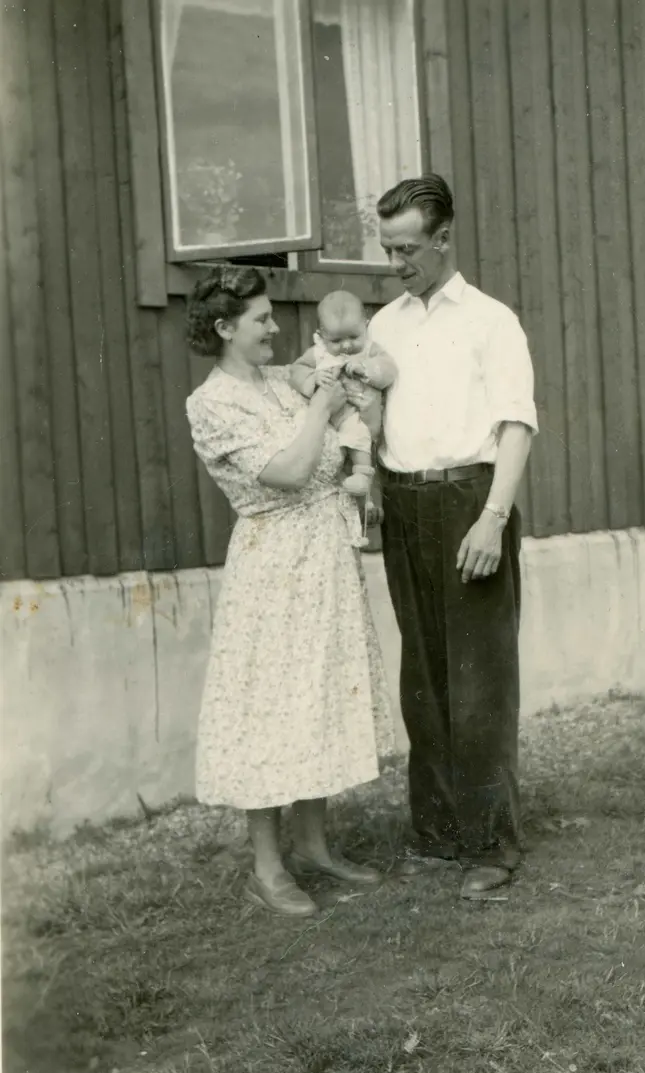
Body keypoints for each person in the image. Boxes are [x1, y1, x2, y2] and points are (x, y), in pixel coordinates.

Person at [185, 265, 395, 918]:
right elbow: (291, 470)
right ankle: (268, 867)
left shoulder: (284, 380)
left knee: (317, 697)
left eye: (273, 316)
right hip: (272, 566)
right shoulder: (211, 404)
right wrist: (322, 409)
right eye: (261, 320)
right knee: (270, 708)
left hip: (325, 555)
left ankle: (314, 846)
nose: (277, 328)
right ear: (223, 328)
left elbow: (345, 447)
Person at [367, 174, 538, 901]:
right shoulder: (385, 325)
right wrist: (373, 493)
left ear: (442, 238)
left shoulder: (491, 320)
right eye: (386, 250)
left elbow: (516, 424)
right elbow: (373, 418)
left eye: (407, 249)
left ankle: (490, 844)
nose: (396, 263)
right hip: (404, 506)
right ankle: (436, 835)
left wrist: (493, 517)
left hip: (471, 500)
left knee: (479, 682)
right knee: (424, 677)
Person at [290, 290, 397, 503]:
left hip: (354, 415)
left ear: (365, 325)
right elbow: (297, 370)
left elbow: (389, 369)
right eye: (337, 340)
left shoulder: (369, 350)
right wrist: (314, 379)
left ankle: (363, 479)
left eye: (353, 337)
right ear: (321, 335)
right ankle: (341, 486)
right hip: (325, 419)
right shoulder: (318, 352)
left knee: (358, 436)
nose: (347, 345)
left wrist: (366, 369)